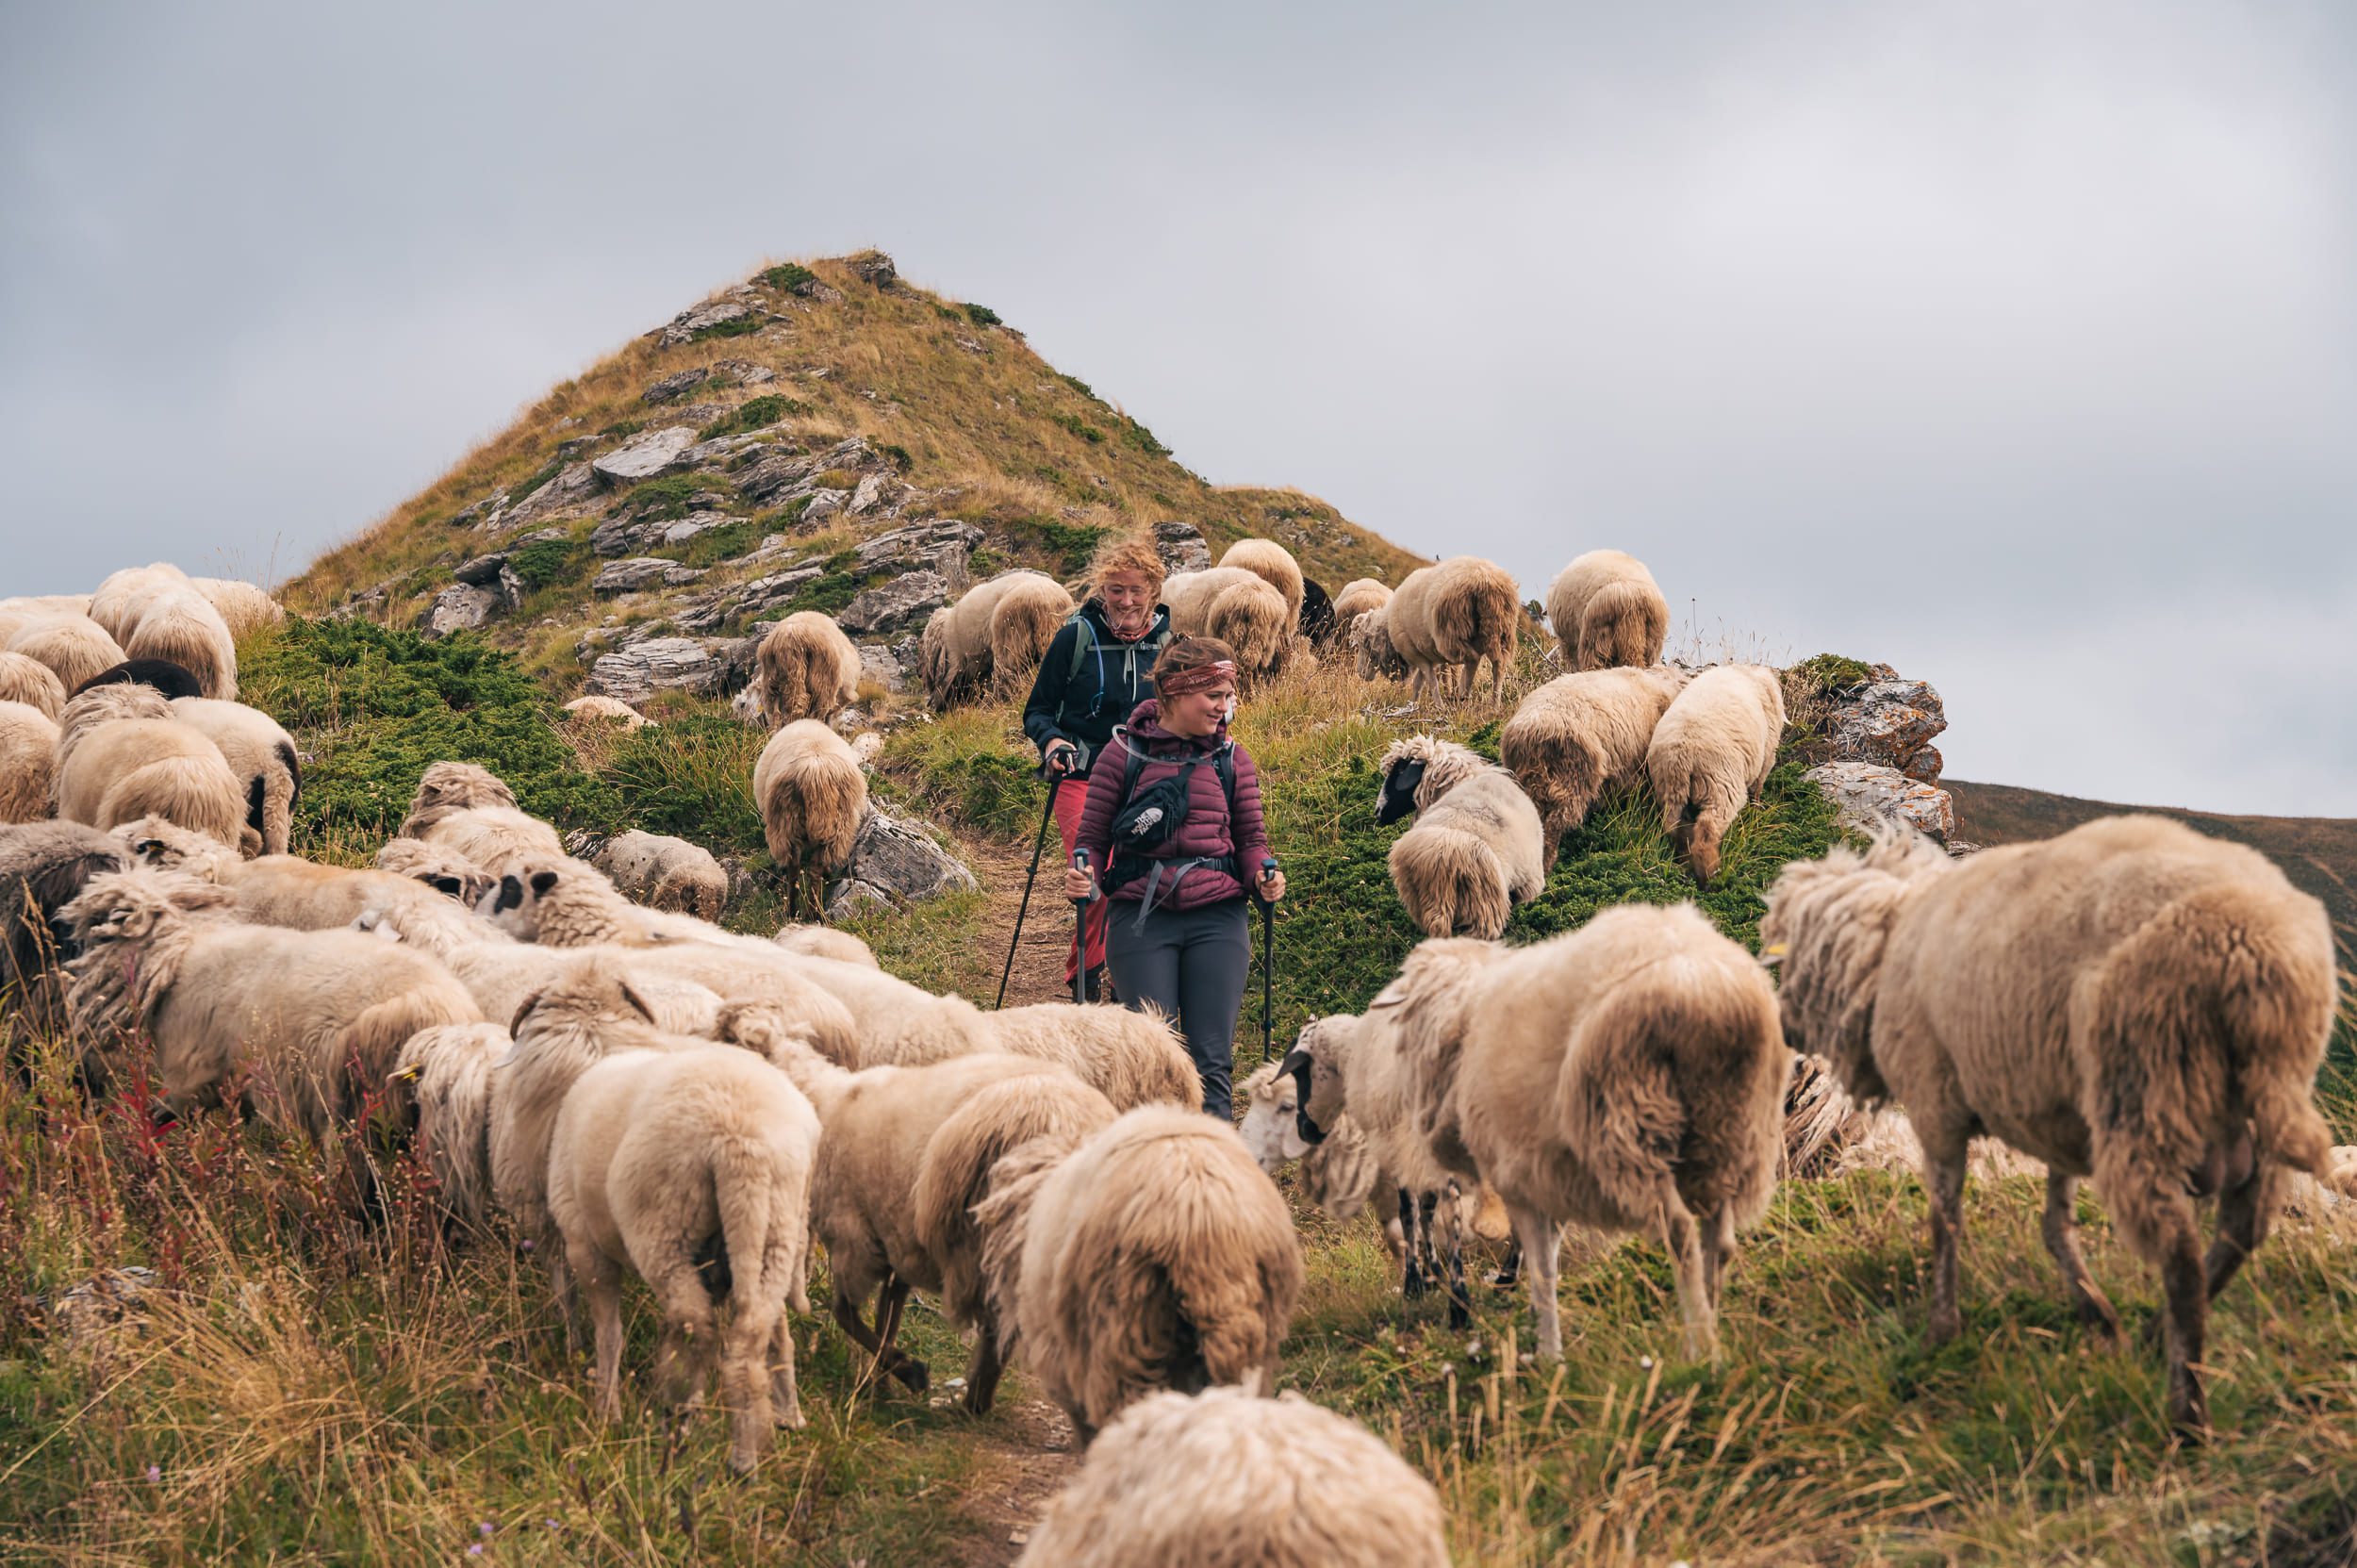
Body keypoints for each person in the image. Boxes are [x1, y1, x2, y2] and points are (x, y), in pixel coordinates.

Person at [1066, 636, 1286, 1118]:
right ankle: (1154, 1178)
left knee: (1212, 1065)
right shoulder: (1120, 754)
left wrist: (1264, 877)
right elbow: (1092, 840)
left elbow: (1251, 843)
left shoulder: (1232, 759)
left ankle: (1215, 1184)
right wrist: (1084, 873)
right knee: (1153, 1064)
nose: (1225, 708)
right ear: (1175, 692)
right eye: (1215, 697)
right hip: (1141, 922)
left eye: (1229, 697)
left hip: (1219, 921)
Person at [1024, 534, 1173, 1002]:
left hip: (1149, 780)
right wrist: (1052, 741)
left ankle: (1119, 977)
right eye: (1115, 590)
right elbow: (1038, 710)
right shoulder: (1076, 638)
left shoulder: (1169, 647)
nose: (1126, 601)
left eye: (1136, 591)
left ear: (1154, 591)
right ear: (1101, 589)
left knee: (1142, 879)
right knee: (1094, 877)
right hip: (1081, 776)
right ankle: (1086, 981)